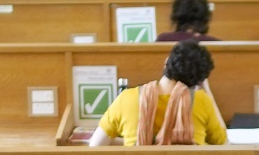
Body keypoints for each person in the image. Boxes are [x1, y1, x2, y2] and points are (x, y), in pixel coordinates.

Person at [89, 41, 229, 146]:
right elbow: (223, 144)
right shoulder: (202, 101)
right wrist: (207, 92)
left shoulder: (127, 98)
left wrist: (131, 143)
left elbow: (95, 145)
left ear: (166, 62)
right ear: (199, 81)